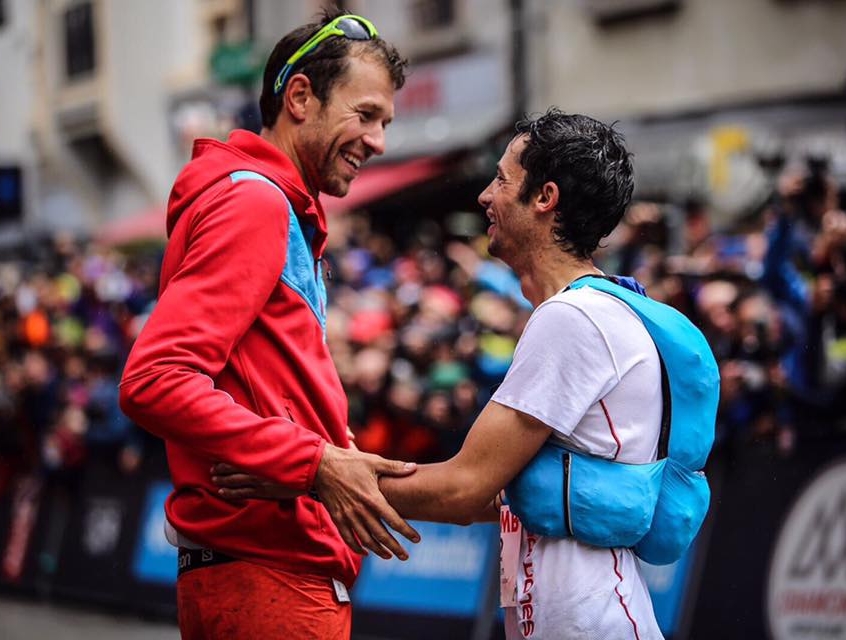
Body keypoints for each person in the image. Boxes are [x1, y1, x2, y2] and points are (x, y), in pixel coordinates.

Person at [215, 108, 667, 638]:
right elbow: (496, 495)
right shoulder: (583, 312)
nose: (485, 196)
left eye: (502, 180)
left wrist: (311, 475)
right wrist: (331, 468)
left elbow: (464, 488)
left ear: (545, 198)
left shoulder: (573, 318)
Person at [118, 9, 420, 639]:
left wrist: (306, 458)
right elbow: (154, 380)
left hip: (262, 573)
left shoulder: (266, 201)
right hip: (270, 577)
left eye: (386, 123)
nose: (379, 142)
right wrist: (312, 461)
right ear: (300, 98)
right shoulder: (255, 200)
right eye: (366, 115)